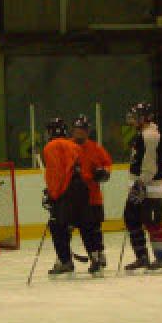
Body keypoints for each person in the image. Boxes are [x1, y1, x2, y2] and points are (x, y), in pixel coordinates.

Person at [42, 117, 103, 276]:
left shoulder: (50, 146)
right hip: (81, 188)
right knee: (85, 225)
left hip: (66, 190)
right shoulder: (73, 145)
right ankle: (96, 259)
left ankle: (65, 261)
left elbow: (57, 173)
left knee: (57, 226)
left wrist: (52, 194)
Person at [124, 102, 162, 272]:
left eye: (136, 117)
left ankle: (160, 258)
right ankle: (142, 257)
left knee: (152, 222)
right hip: (140, 186)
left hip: (149, 188)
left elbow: (150, 165)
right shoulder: (142, 134)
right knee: (131, 218)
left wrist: (141, 182)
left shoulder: (150, 136)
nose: (133, 120)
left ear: (144, 118)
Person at [72, 115, 113, 268]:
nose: (79, 133)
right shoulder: (68, 147)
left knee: (95, 227)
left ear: (88, 131)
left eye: (82, 130)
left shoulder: (95, 148)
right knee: (82, 227)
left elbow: (107, 164)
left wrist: (104, 172)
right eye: (77, 130)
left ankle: (99, 253)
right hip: (75, 196)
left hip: (93, 195)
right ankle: (88, 256)